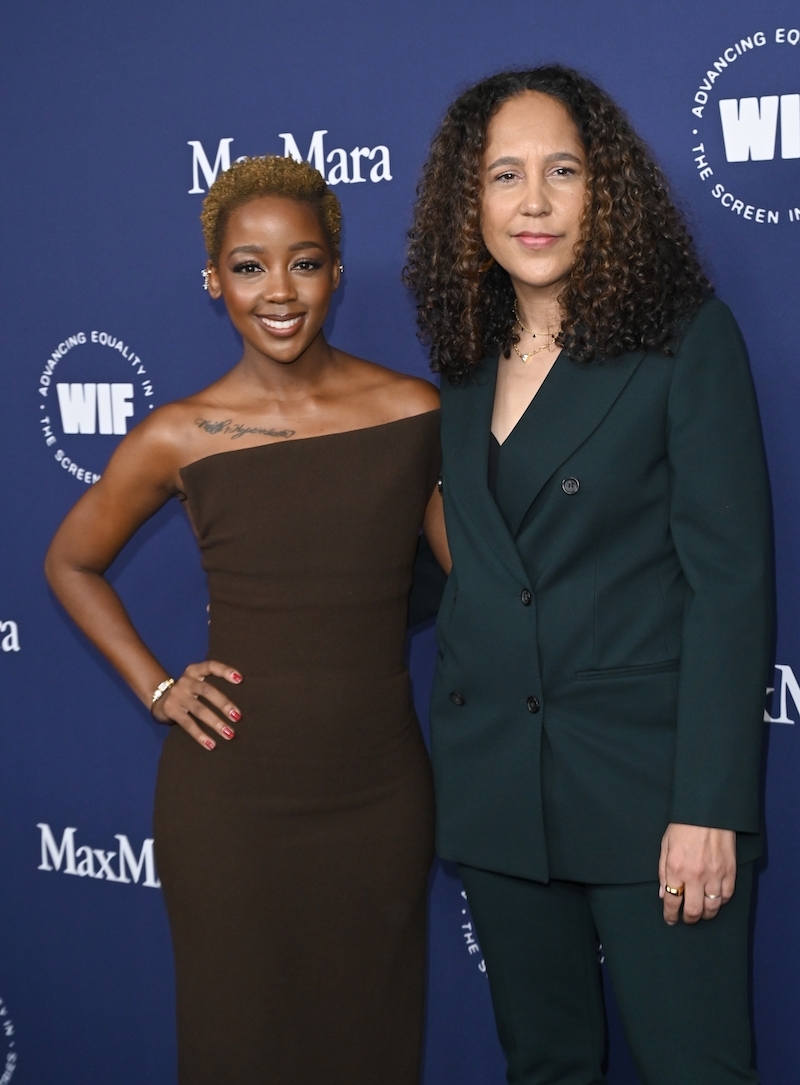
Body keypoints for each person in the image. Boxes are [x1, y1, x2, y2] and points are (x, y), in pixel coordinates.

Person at [404, 65, 773, 1085]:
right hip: (497, 787)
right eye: (502, 176)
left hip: (649, 789)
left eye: (560, 171)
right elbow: (463, 559)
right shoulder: (461, 357)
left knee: (695, 1067)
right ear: (463, 201)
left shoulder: (681, 340)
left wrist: (708, 805)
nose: (532, 203)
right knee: (546, 1067)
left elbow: (728, 584)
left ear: (602, 187)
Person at [45, 155, 449, 1085]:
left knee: (371, 1051)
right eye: (248, 265)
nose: (278, 292)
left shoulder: (413, 411)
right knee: (237, 1052)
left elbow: (482, 576)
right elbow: (70, 562)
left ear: (337, 272)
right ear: (214, 279)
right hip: (229, 806)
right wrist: (156, 686)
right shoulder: (176, 434)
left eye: (303, 263)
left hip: (379, 797)